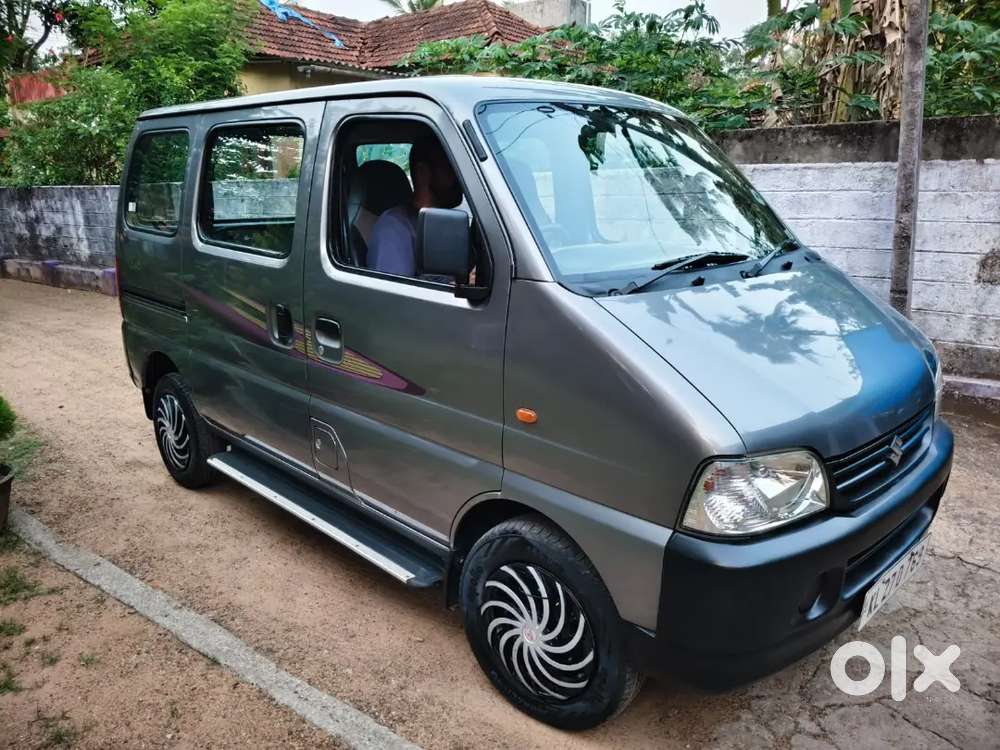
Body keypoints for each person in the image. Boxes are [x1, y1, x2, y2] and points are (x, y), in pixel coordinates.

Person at [367, 135, 464, 278]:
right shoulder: (394, 228)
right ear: (423, 173)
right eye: (449, 168)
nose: (458, 177)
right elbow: (395, 297)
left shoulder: (440, 223)